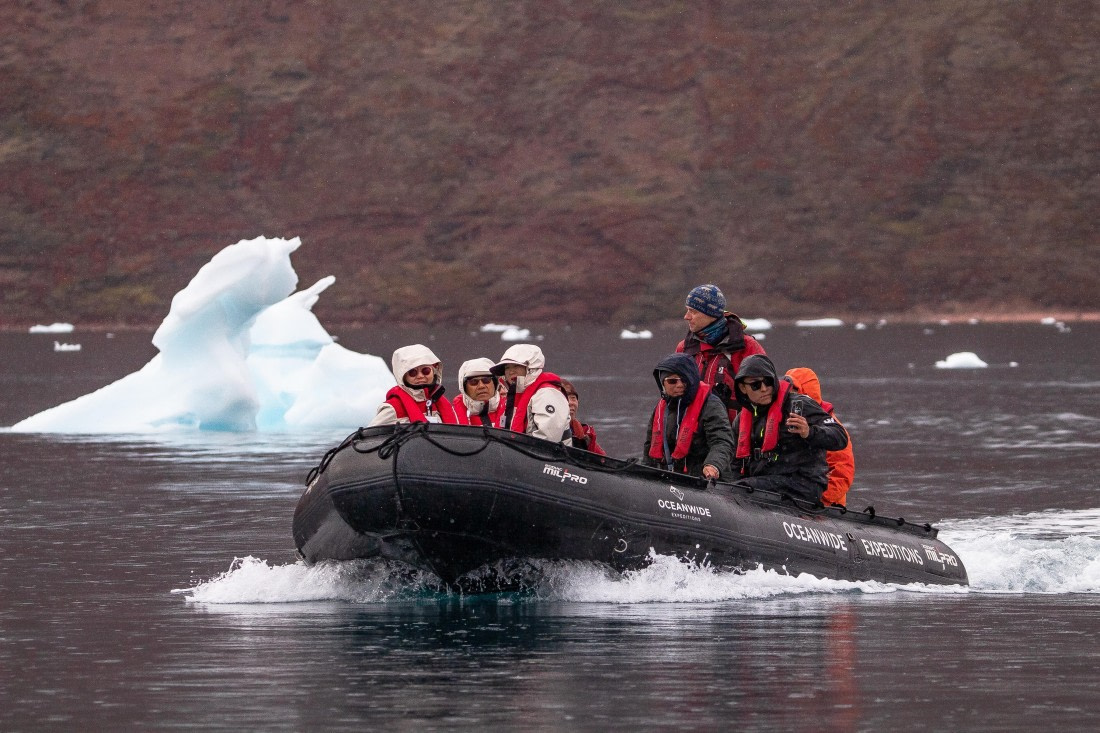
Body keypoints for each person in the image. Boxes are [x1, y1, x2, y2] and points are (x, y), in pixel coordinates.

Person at [732, 355, 848, 504]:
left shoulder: (800, 405)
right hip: (766, 482)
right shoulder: (741, 420)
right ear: (743, 388)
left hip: (803, 484)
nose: (764, 389)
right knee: (731, 487)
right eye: (756, 385)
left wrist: (809, 432)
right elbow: (735, 464)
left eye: (768, 382)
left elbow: (840, 437)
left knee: (741, 488)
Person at [676, 284, 767, 421]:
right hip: (692, 435)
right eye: (687, 310)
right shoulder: (684, 348)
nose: (686, 316)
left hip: (734, 436)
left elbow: (765, 395)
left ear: (710, 314)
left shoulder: (746, 347)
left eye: (693, 311)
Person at [641, 353, 736, 479]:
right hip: (672, 477)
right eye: (672, 381)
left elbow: (722, 441)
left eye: (684, 379)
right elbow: (649, 447)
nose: (679, 385)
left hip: (706, 480)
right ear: (663, 384)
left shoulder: (711, 405)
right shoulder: (660, 410)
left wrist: (713, 465)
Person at [785, 367, 855, 508]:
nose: (789, 395)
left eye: (794, 390)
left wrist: (820, 500)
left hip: (825, 503)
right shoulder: (786, 421)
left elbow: (842, 472)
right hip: (796, 495)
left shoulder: (832, 429)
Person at [490, 344, 572, 445]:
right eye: (507, 367)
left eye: (516, 366)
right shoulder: (512, 397)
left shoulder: (547, 394)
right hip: (518, 457)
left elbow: (547, 441)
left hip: (549, 459)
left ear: (531, 368)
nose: (511, 371)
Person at [369, 344, 460, 426]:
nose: (420, 376)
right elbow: (369, 439)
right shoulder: (393, 408)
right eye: (412, 372)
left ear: (434, 371)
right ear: (403, 376)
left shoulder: (442, 404)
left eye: (426, 371)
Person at [453, 357, 505, 427]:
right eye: (474, 382)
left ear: (495, 384)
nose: (481, 386)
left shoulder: (512, 410)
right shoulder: (452, 415)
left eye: (486, 380)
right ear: (464, 387)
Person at [559, 378, 605, 455]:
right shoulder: (543, 429)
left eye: (573, 398)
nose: (571, 403)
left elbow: (603, 459)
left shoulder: (585, 433)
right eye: (565, 398)